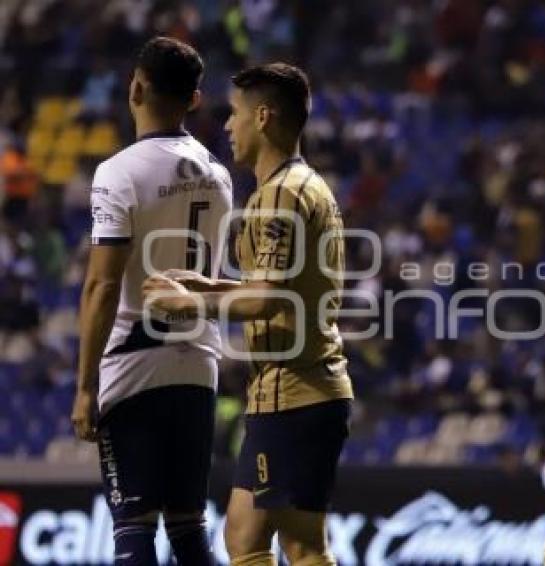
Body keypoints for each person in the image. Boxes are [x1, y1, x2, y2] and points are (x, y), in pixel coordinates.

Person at [143, 62, 353, 566]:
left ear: (262, 117)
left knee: (302, 548)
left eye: (234, 114)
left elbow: (268, 299)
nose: (227, 127)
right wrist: (209, 284)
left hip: (298, 392)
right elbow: (277, 288)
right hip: (285, 393)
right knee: (244, 537)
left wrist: (188, 302)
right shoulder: (296, 187)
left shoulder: (283, 194)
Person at [71, 37, 233, 565]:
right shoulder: (219, 172)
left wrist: (85, 385)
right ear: (195, 98)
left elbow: (101, 285)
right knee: (189, 526)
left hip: (134, 358)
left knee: (133, 527)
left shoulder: (120, 171)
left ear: (136, 87)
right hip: (198, 359)